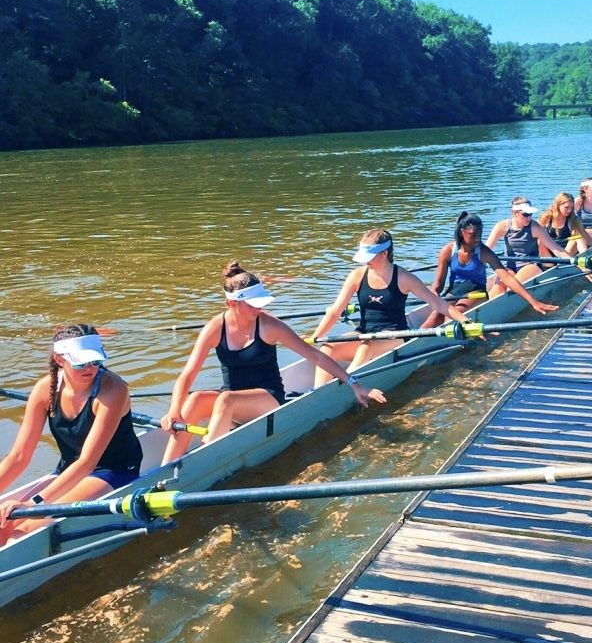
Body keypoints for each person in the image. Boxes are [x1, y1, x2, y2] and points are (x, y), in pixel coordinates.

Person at [160, 260, 387, 464]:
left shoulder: (270, 325)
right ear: (232, 304)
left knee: (226, 400)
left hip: (267, 398)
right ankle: (165, 469)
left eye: (260, 302)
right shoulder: (214, 328)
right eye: (253, 304)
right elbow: (187, 376)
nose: (259, 308)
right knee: (195, 399)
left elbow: (315, 355)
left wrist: (353, 383)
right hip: (233, 398)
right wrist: (173, 412)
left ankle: (203, 463)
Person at [0, 325, 143, 545]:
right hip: (69, 471)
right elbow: (18, 457)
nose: (90, 369)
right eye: (80, 363)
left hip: (113, 472)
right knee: (4, 522)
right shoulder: (44, 390)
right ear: (59, 359)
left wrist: (35, 504)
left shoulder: (113, 390)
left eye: (96, 361)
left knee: (27, 525)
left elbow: (87, 462)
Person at [310, 228, 471, 387]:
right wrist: (313, 339)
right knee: (327, 348)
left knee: (366, 346)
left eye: (370, 257)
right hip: (364, 332)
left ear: (384, 253)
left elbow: (438, 303)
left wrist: (465, 322)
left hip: (396, 334)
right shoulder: (357, 276)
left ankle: (344, 386)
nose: (366, 261)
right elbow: (335, 312)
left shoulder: (404, 277)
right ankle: (318, 393)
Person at [421, 212, 559, 328]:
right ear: (462, 232)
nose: (478, 239)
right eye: (473, 235)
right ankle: (408, 344)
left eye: (480, 234)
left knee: (453, 317)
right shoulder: (448, 251)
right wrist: (433, 298)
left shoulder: (484, 252)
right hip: (453, 292)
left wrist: (533, 301)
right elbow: (438, 285)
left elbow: (507, 278)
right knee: (432, 320)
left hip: (476, 293)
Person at [485, 196, 573, 297]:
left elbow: (556, 249)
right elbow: (486, 249)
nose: (529, 218)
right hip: (509, 266)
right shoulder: (502, 226)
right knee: (497, 288)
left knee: (512, 288)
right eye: (525, 214)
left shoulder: (534, 227)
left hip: (530, 265)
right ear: (515, 213)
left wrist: (577, 262)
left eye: (530, 214)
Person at [538, 192, 592, 259]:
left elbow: (588, 239)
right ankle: (546, 264)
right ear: (558, 205)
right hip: (550, 251)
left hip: (567, 252)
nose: (569, 210)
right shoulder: (546, 217)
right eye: (566, 207)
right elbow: (534, 236)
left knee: (577, 237)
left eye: (571, 208)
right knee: (540, 239)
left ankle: (584, 259)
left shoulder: (574, 220)